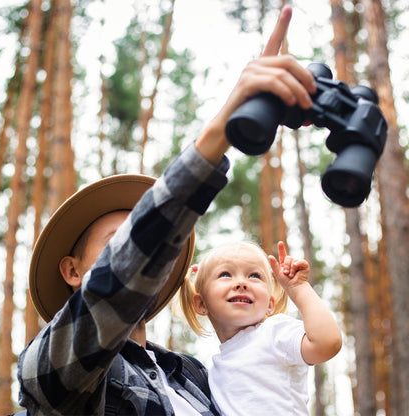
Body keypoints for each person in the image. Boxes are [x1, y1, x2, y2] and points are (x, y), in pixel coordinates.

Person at [17, 6, 318, 415]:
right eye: (115, 244)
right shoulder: (53, 369)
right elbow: (120, 279)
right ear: (72, 271)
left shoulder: (198, 375)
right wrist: (225, 125)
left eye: (156, 248)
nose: (149, 255)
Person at [179, 240, 342, 415]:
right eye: (225, 274)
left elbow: (327, 343)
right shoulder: (212, 371)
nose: (241, 283)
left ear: (270, 305)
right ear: (201, 303)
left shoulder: (274, 332)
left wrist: (298, 288)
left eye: (254, 276)